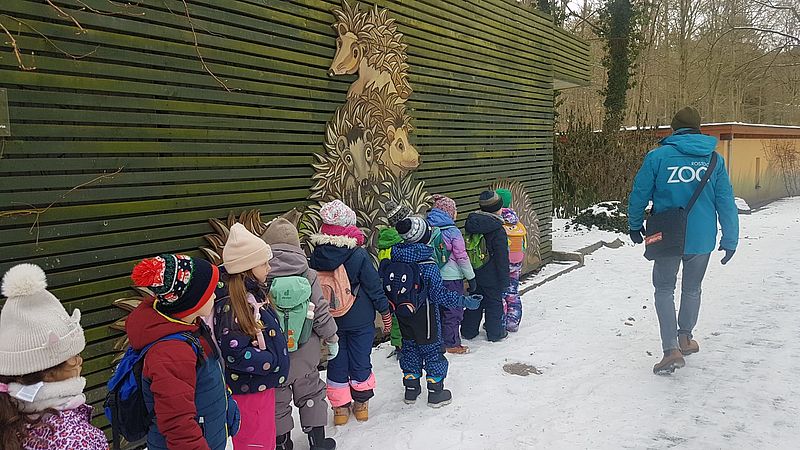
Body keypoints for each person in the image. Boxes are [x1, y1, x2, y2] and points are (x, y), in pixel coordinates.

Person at [628, 106, 739, 375]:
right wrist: (730, 238)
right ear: (698, 128)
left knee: (664, 289)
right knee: (692, 288)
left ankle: (671, 350)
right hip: (702, 237)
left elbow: (640, 193)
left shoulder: (657, 157)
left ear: (674, 128)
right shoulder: (714, 160)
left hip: (666, 235)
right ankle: (685, 338)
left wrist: (634, 224)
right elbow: (725, 201)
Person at [128, 253, 240, 450]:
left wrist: (226, 405)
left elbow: (208, 376)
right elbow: (177, 423)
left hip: (208, 437)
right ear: (192, 301)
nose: (215, 296)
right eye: (210, 292)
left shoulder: (190, 328)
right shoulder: (170, 353)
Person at [0, 264, 107, 450]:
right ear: (47, 373)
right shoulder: (80, 439)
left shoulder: (9, 418)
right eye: (73, 355)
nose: (79, 361)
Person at [309, 200, 391, 425]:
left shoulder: (317, 253)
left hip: (329, 319)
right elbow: (373, 286)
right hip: (359, 318)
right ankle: (361, 404)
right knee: (360, 358)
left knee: (336, 360)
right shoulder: (357, 254)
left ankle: (340, 409)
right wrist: (384, 312)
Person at [386, 217, 482, 407]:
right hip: (426, 317)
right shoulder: (427, 265)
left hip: (404, 315)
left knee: (410, 349)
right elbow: (439, 295)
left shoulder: (396, 259)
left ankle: (411, 389)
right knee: (432, 352)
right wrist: (463, 301)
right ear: (423, 237)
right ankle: (436, 392)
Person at [262, 218, 338, 450]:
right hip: (306, 349)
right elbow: (320, 311)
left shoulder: (262, 274)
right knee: (312, 393)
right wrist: (331, 337)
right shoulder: (308, 273)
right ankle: (318, 441)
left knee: (278, 400)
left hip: (274, 353)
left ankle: (282, 443)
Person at [215, 224, 290, 449]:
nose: (269, 268)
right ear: (247, 268)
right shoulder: (233, 304)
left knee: (264, 439)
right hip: (248, 391)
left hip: (259, 385)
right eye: (264, 263)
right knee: (254, 442)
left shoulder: (253, 294)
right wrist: (269, 361)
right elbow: (233, 351)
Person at [425, 194, 476, 354]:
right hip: (452, 279)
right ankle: (452, 343)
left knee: (437, 310)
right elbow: (462, 256)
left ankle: (438, 340)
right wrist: (471, 277)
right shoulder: (453, 231)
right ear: (449, 212)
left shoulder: (427, 228)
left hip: (433, 277)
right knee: (453, 311)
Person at [461, 190, 511, 342]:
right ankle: (495, 333)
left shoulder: (472, 223)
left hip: (475, 270)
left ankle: (468, 331)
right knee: (494, 303)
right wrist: (504, 280)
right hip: (492, 274)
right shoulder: (497, 229)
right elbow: (502, 257)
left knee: (475, 300)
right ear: (498, 208)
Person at [496, 188, 527, 333]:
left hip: (502, 263)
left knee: (501, 293)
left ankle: (501, 322)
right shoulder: (516, 221)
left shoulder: (497, 220)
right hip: (517, 261)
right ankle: (513, 321)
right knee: (513, 292)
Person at [376, 224, 405, 356]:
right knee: (400, 318)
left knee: (393, 317)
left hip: (387, 288)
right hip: (398, 287)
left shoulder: (382, 250)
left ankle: (396, 343)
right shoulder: (396, 250)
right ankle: (401, 345)